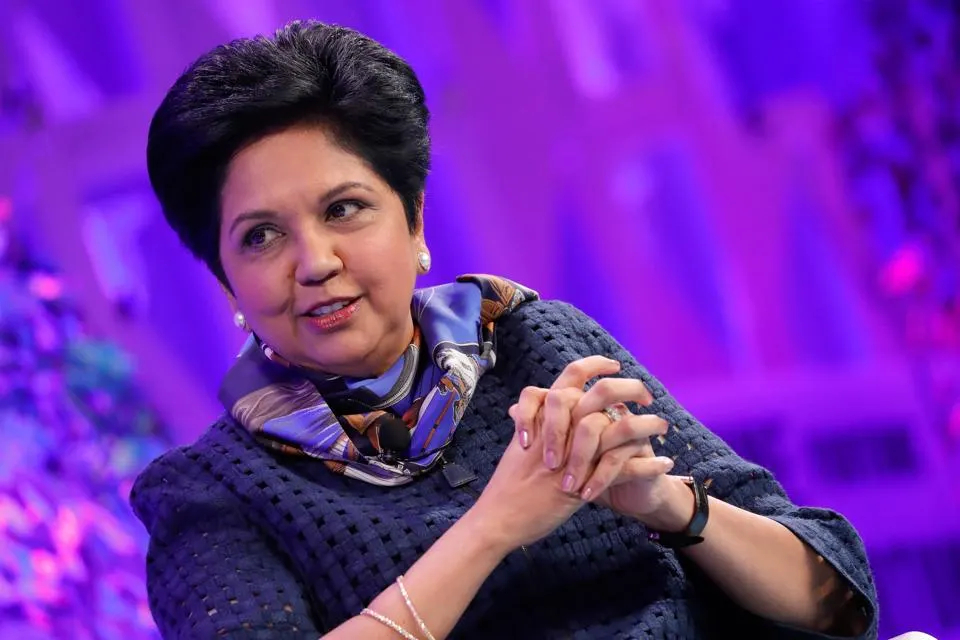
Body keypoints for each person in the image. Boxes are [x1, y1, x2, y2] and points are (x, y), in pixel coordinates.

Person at [131, 20, 878, 639]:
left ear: (415, 220)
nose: (316, 262)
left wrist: (671, 506)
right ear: (225, 280)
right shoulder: (211, 492)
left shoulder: (538, 341)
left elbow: (838, 601)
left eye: (343, 209)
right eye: (261, 236)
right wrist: (492, 526)